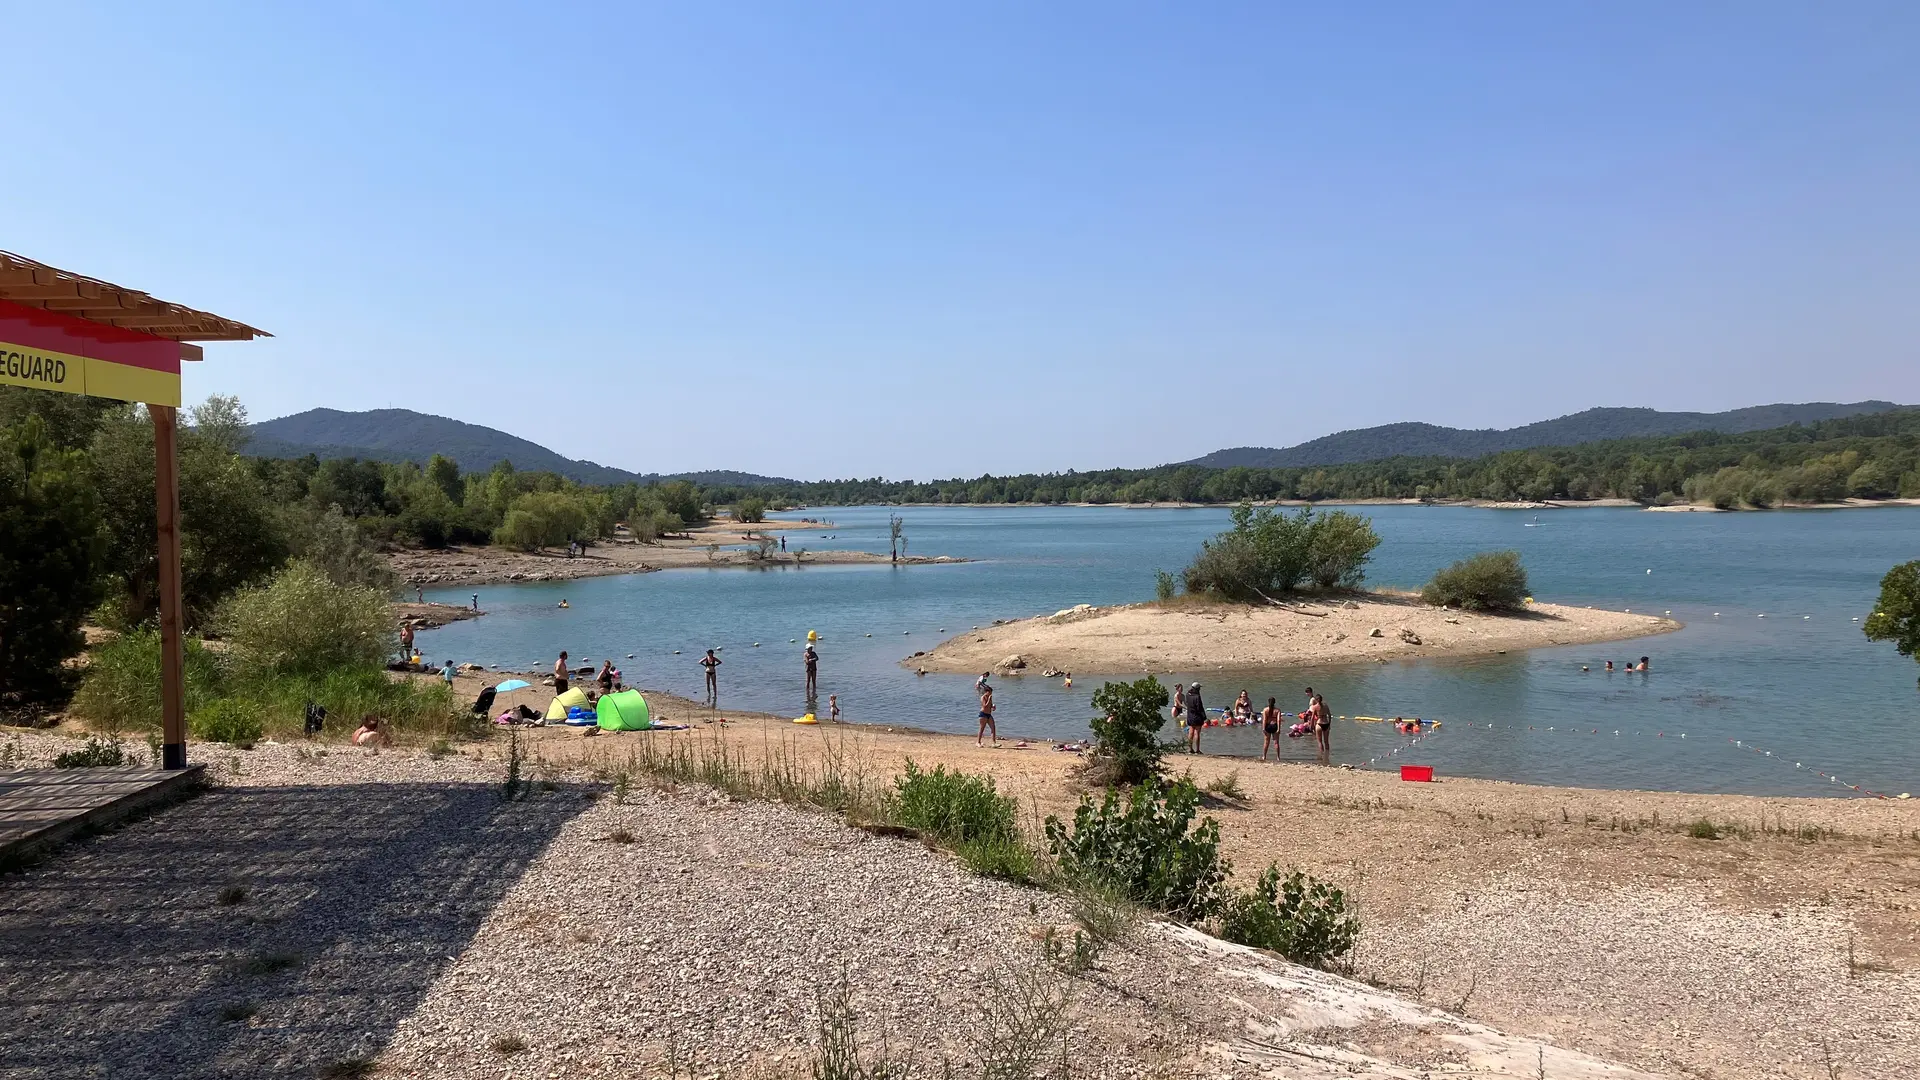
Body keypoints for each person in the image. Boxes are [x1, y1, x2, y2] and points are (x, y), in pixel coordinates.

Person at [1184, 682, 1206, 753]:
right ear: (1197, 689)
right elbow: (1200, 708)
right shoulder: (1197, 697)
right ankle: (1197, 750)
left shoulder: (1187, 695)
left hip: (1190, 716)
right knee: (1197, 733)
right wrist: (1204, 717)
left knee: (1190, 732)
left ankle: (1190, 749)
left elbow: (1187, 704)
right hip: (1197, 717)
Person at [977, 676, 998, 747]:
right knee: (982, 728)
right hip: (983, 714)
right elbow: (985, 706)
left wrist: (993, 707)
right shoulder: (983, 697)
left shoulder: (990, 697)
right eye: (990, 692)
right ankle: (978, 742)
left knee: (993, 728)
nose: (991, 694)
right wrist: (989, 699)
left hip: (989, 714)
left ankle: (994, 743)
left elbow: (990, 705)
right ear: (987, 692)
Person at [1261, 696, 1282, 761]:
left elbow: (1264, 720)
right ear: (1274, 702)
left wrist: (1263, 728)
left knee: (1266, 742)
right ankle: (1278, 757)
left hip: (1268, 726)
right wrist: (1278, 728)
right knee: (1276, 742)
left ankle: (1264, 756)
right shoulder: (1277, 710)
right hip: (1274, 726)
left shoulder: (1265, 710)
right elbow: (1278, 720)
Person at [1311, 690, 1332, 756]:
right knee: (1326, 742)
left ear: (1316, 700)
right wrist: (1329, 724)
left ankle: (1322, 756)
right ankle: (1327, 756)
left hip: (1319, 724)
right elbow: (1329, 715)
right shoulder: (1326, 705)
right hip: (1326, 723)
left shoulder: (1315, 707)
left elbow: (1312, 718)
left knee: (1319, 742)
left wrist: (1311, 726)